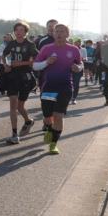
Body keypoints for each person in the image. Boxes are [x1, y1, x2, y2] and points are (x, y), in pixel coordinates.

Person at [33, 24, 83, 155]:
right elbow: (35, 66)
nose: (59, 33)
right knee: (47, 116)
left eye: (62, 31)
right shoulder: (46, 48)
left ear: (67, 34)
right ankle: (49, 128)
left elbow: (80, 64)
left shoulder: (74, 49)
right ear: (53, 34)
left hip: (65, 87)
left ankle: (53, 144)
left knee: (58, 115)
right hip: (49, 86)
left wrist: (77, 68)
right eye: (57, 31)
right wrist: (46, 62)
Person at [1, 22, 38, 144]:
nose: (18, 32)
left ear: (26, 32)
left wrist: (21, 63)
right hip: (12, 77)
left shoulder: (30, 45)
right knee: (13, 105)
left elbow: (35, 61)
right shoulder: (11, 44)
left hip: (26, 78)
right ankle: (14, 134)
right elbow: (3, 55)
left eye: (21, 30)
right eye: (16, 30)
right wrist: (6, 65)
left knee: (20, 106)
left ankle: (28, 121)